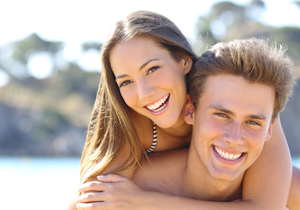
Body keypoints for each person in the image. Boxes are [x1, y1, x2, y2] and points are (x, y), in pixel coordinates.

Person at [71, 11, 297, 209]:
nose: (144, 93)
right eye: (126, 82)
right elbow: (97, 199)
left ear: (184, 61)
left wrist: (145, 202)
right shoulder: (130, 127)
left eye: (152, 69)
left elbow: (267, 207)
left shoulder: (238, 98)